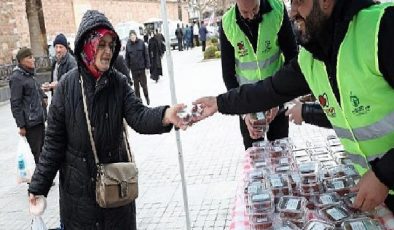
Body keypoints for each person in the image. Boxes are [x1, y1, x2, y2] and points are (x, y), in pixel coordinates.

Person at [193, 0, 394, 213]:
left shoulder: (382, 27)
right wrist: (219, 102)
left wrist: (384, 174)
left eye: (299, 2)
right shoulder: (311, 56)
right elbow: (269, 90)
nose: (292, 13)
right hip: (380, 196)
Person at [27, 10, 187, 229]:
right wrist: (38, 186)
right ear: (87, 45)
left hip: (116, 195)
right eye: (101, 45)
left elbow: (139, 116)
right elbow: (53, 144)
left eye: (111, 46)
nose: (107, 52)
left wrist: (166, 115)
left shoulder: (118, 83)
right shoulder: (66, 87)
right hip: (79, 200)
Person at [219, 0, 298, 149]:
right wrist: (244, 113)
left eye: (255, 9)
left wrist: (280, 99)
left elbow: (292, 57)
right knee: (255, 162)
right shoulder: (227, 23)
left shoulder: (278, 10)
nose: (250, 16)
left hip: (277, 100)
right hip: (248, 104)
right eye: (244, 13)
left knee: (280, 157)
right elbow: (228, 75)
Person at [9, 47, 47, 164]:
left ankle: (43, 179)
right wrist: (21, 125)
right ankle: (39, 180)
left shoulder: (29, 74)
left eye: (32, 57)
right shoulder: (17, 78)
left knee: (43, 150)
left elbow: (37, 90)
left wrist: (44, 97)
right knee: (37, 153)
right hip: (30, 122)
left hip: (39, 119)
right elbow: (15, 103)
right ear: (21, 61)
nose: (33, 60)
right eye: (29, 57)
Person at [125, 30, 151, 105]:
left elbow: (146, 55)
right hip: (134, 70)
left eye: (133, 35)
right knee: (136, 88)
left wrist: (147, 67)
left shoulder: (141, 43)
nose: (132, 37)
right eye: (131, 36)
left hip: (142, 69)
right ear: (129, 37)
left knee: (144, 86)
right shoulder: (128, 45)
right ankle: (139, 102)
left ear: (136, 35)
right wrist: (127, 69)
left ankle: (147, 97)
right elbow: (127, 58)